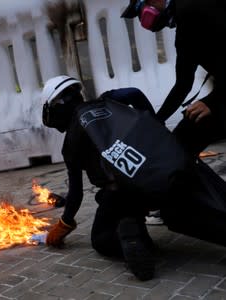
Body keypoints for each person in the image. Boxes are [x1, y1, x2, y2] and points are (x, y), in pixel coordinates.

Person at [41, 75, 159, 281]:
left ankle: (129, 236)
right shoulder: (104, 102)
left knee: (101, 241)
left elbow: (76, 193)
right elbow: (134, 93)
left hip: (118, 194)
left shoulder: (70, 144)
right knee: (127, 216)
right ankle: (137, 233)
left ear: (58, 106)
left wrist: (64, 224)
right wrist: (155, 123)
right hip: (149, 181)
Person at [121, 0, 226, 158]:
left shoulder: (196, 8)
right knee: (182, 140)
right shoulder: (184, 27)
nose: (143, 21)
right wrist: (156, 120)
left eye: (140, 11)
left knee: (183, 143)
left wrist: (213, 101)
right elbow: (183, 85)